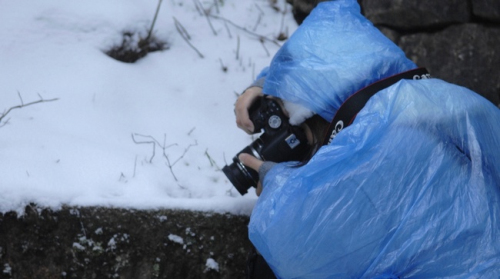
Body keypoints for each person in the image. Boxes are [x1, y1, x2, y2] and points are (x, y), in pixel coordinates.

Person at [233, 0, 500, 278]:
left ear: (312, 108)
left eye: (290, 119)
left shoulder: (369, 150)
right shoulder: (438, 100)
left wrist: (277, 186)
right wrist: (266, 84)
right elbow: (327, 65)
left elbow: (291, 251)